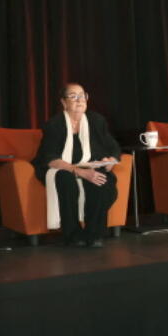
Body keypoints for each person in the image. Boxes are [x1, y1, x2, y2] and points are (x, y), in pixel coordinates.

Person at [34, 83, 121, 248]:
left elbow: (113, 148)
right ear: (63, 102)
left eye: (82, 95)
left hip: (90, 166)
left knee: (101, 181)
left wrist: (110, 161)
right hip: (61, 167)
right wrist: (78, 171)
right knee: (65, 179)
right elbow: (50, 158)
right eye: (73, 96)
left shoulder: (97, 120)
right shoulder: (54, 124)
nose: (79, 100)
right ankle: (72, 234)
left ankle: (94, 234)